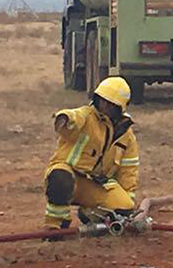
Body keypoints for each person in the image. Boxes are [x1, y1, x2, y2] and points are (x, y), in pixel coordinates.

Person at [43, 77, 140, 232]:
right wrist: (64, 118)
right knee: (60, 178)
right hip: (70, 176)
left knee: (124, 207)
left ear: (120, 108)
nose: (105, 106)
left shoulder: (126, 136)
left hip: (95, 184)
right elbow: (75, 117)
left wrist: (128, 207)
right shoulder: (86, 116)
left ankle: (90, 214)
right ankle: (56, 225)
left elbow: (128, 171)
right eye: (103, 100)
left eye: (111, 104)